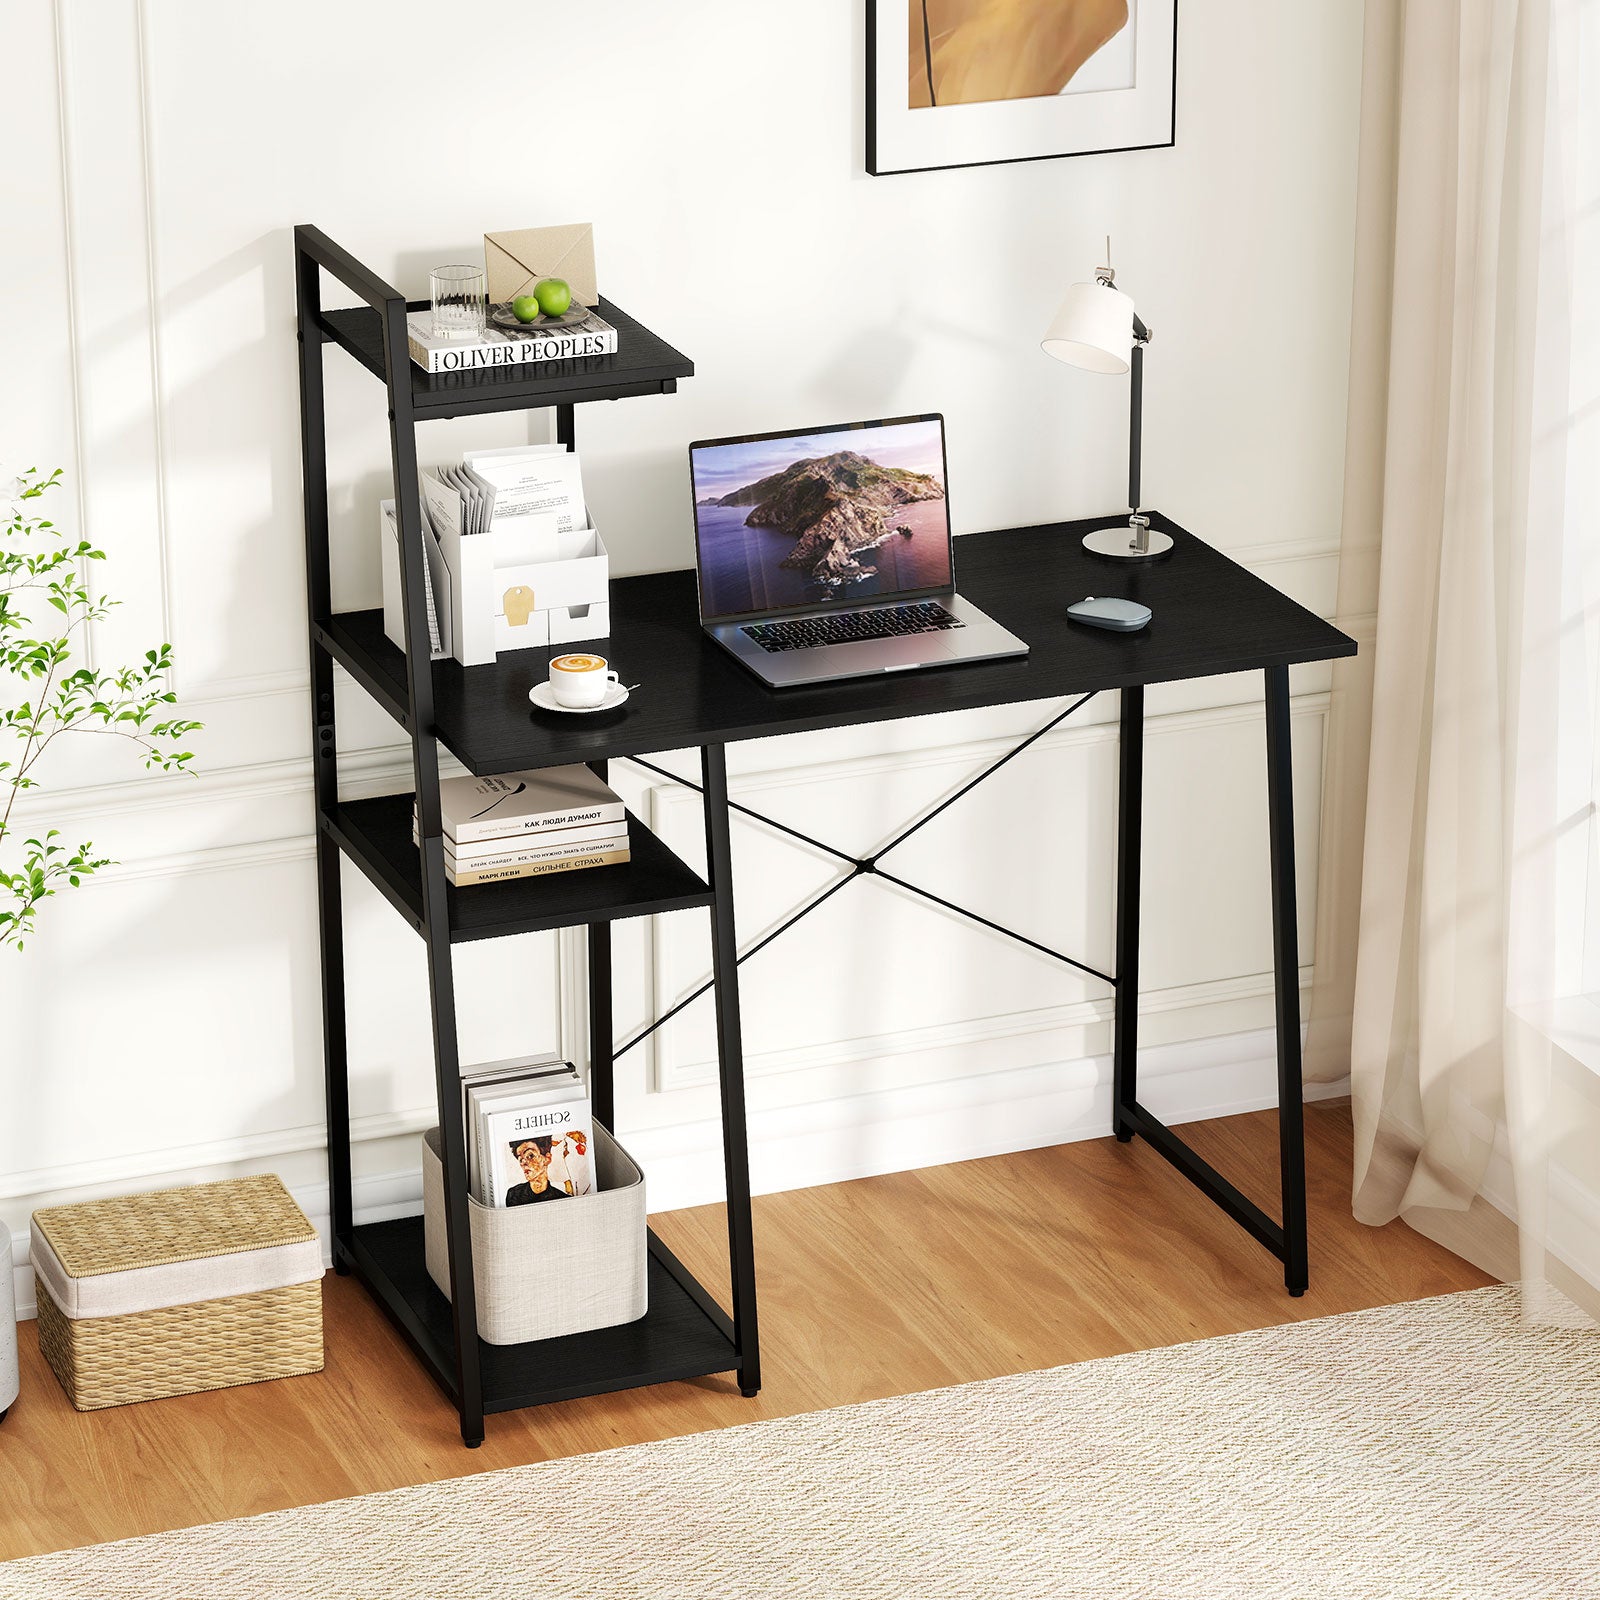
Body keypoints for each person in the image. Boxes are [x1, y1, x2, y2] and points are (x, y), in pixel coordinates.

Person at [504, 1135, 570, 1207]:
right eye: (520, 1159)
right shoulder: (513, 1195)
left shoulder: (563, 1200)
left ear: (547, 1159)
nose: (524, 1163)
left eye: (530, 1156)